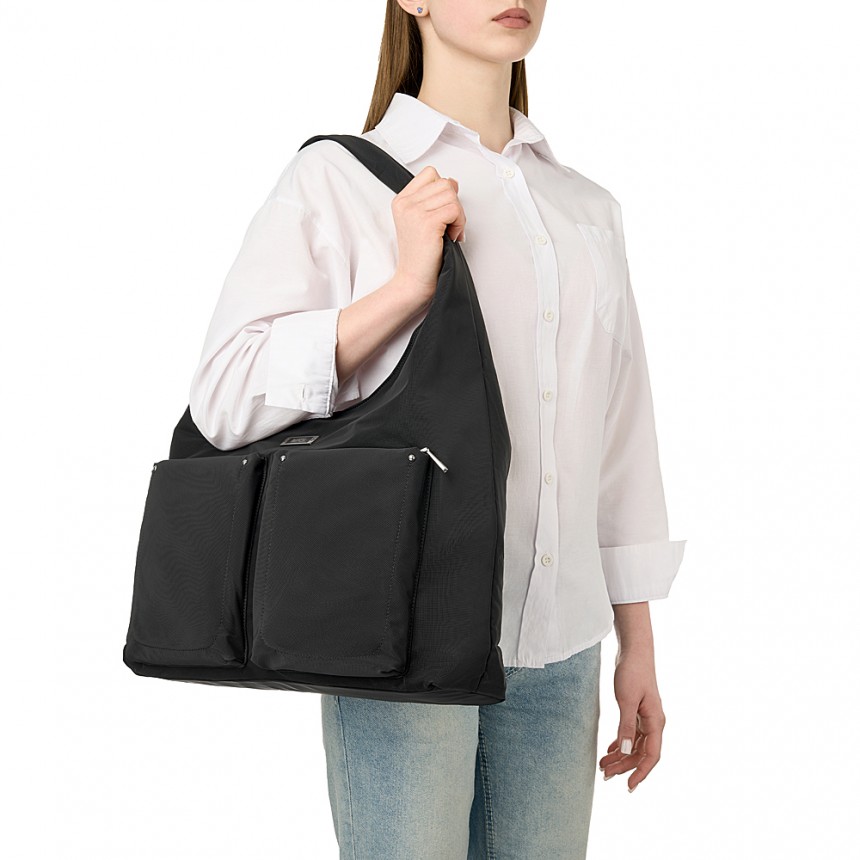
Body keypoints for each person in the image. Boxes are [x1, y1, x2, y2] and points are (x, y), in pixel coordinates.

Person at [188, 2, 686, 857]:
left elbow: (619, 434)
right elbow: (224, 395)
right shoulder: (339, 180)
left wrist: (636, 642)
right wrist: (402, 292)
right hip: (400, 638)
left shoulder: (586, 207)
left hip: (561, 643)